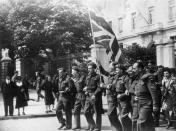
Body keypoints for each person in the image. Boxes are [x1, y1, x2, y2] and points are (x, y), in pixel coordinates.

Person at [131, 61, 160, 131]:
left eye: (134, 68)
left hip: (146, 104)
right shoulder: (138, 77)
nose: (133, 70)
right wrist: (135, 94)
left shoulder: (148, 77)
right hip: (138, 103)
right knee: (148, 124)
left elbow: (153, 92)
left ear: (140, 68)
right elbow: (136, 88)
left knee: (141, 123)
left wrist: (155, 105)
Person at [98, 61, 122, 131]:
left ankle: (119, 128)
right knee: (112, 114)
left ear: (114, 67)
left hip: (113, 97)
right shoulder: (111, 74)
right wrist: (99, 65)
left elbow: (111, 86)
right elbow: (104, 72)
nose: (109, 66)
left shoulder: (116, 75)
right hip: (109, 97)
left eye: (110, 65)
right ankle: (115, 128)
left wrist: (103, 85)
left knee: (110, 114)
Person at [84, 62, 102, 131]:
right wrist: (86, 89)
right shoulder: (87, 76)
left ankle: (98, 128)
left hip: (95, 96)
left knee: (97, 113)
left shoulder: (98, 76)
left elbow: (99, 87)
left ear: (94, 69)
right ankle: (93, 125)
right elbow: (87, 85)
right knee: (86, 111)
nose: (89, 70)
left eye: (90, 68)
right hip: (88, 96)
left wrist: (94, 94)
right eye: (88, 68)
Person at [114, 64, 132, 131]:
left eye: (117, 70)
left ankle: (130, 128)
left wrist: (121, 95)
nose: (116, 71)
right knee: (123, 117)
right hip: (119, 100)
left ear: (121, 70)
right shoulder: (116, 77)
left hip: (125, 100)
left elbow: (129, 90)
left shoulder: (126, 78)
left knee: (123, 117)